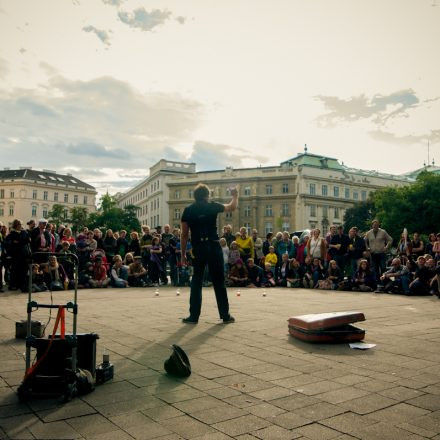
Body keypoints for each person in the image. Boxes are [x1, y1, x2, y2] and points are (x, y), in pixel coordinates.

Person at [180, 183, 237, 324]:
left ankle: (193, 316)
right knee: (218, 281)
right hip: (213, 245)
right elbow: (231, 207)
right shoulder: (212, 206)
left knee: (197, 281)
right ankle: (225, 315)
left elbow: (184, 234)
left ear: (195, 195)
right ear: (207, 195)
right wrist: (235, 195)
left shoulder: (188, 210)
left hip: (198, 248)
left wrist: (182, 254)